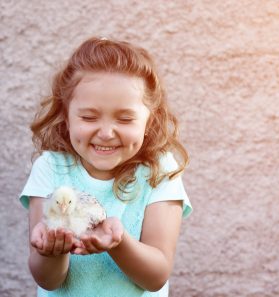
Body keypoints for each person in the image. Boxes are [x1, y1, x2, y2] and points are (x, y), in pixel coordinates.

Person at [19, 37, 192, 297]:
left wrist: (118, 243)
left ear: (149, 120)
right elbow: (48, 280)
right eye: (89, 117)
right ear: (66, 116)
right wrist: (51, 251)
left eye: (125, 118)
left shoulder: (160, 170)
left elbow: (156, 276)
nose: (107, 133)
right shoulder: (50, 168)